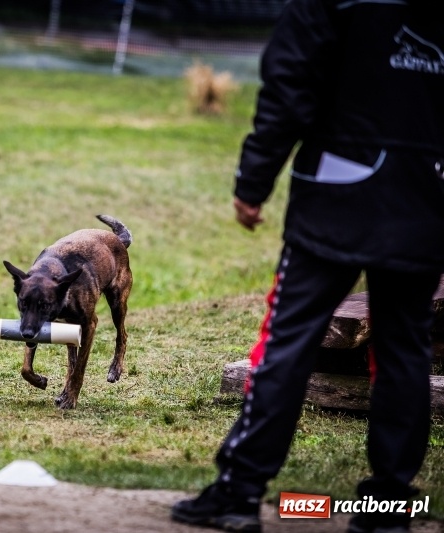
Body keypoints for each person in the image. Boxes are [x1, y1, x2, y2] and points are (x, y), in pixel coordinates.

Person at [170, 1, 444, 532]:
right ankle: (388, 509)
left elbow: (290, 82)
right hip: (426, 196)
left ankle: (238, 492)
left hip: (338, 193)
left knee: (288, 340)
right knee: (405, 347)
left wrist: (254, 180)